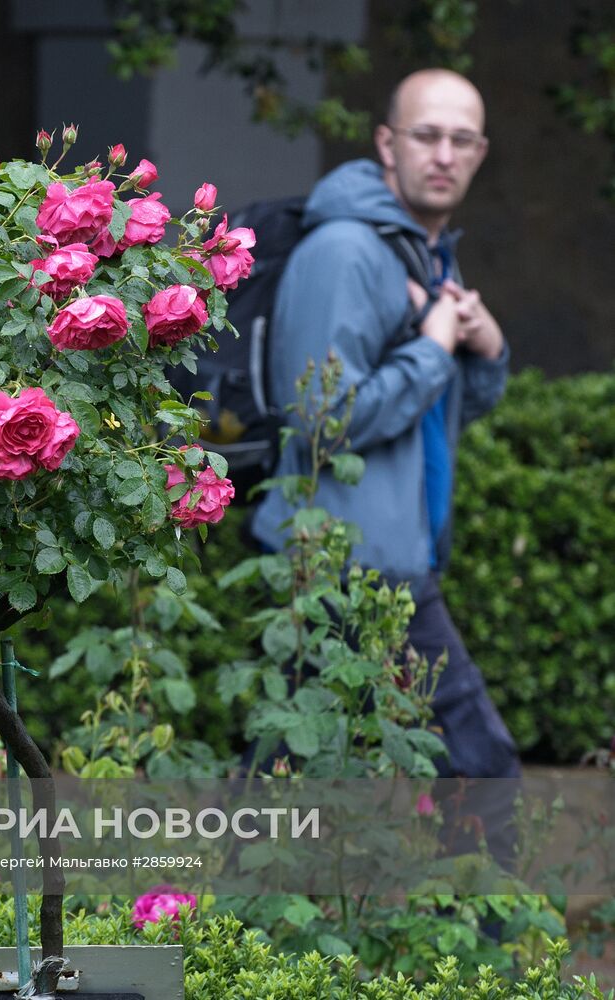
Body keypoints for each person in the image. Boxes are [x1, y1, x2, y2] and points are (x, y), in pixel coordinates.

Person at [249, 69, 521, 793]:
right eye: (425, 135)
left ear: (480, 152)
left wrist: (483, 351)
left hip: (391, 557)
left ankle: (219, 903)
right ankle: (488, 910)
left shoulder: (423, 250)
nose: (443, 154)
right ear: (386, 143)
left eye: (461, 140)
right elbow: (321, 421)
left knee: (299, 779)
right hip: (342, 564)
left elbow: (432, 411)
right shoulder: (345, 251)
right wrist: (432, 346)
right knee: (479, 768)